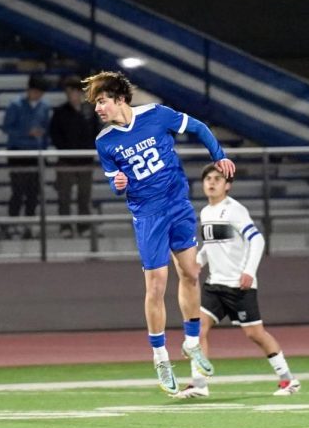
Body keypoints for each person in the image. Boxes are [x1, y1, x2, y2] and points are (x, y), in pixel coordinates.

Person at [84, 70, 235, 395]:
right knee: (156, 285)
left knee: (191, 273)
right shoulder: (105, 141)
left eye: (102, 100)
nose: (98, 108)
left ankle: (192, 342)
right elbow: (114, 182)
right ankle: (160, 356)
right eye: (96, 103)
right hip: (148, 216)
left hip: (177, 205)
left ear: (119, 98)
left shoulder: (156, 115)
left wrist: (219, 156)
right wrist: (117, 183)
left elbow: (199, 127)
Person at [174, 163, 300, 399]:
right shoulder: (205, 212)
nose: (211, 182)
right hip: (215, 285)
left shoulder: (235, 210)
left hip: (239, 286)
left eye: (217, 179)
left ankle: (288, 379)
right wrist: (198, 262)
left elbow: (257, 240)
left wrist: (249, 271)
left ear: (228, 185)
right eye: (208, 178)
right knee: (198, 328)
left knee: (255, 334)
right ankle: (199, 384)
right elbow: (211, 246)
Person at [1, 75, 51, 238]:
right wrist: (27, 133)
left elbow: (46, 129)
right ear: (29, 90)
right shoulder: (15, 105)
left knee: (33, 192)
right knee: (18, 190)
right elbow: (7, 128)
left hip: (36, 153)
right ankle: (12, 224)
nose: (38, 95)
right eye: (36, 91)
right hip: (18, 152)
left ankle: (29, 224)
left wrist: (43, 142)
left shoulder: (44, 107)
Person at [49, 77, 99, 237]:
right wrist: (65, 150)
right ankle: (65, 227)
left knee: (84, 196)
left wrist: (89, 150)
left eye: (74, 92)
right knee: (64, 196)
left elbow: (96, 133)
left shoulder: (90, 111)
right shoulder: (60, 112)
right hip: (66, 160)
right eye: (68, 92)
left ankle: (83, 226)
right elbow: (55, 135)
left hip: (85, 160)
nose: (71, 96)